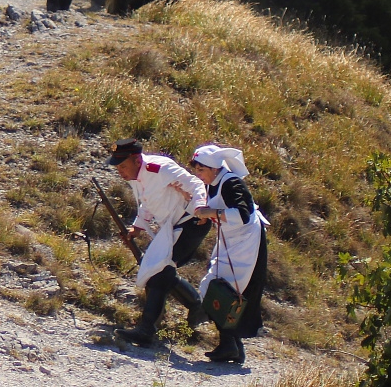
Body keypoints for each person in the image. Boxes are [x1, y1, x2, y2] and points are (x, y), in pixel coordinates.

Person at [107, 137, 211, 347]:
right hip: (174, 226)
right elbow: (148, 202)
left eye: (123, 165)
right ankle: (196, 305)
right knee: (161, 270)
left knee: (159, 272)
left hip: (191, 223)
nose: (120, 171)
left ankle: (147, 330)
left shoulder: (159, 168)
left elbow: (196, 183)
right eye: (118, 166)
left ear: (137, 160)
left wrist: (201, 208)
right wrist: (138, 226)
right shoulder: (138, 176)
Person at [190, 145, 269, 365]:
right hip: (231, 240)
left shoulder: (231, 182)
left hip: (244, 243)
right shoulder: (215, 182)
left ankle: (231, 344)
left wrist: (211, 213)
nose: (198, 175)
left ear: (214, 169)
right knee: (215, 287)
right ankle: (232, 345)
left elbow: (243, 215)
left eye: (201, 170)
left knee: (220, 289)